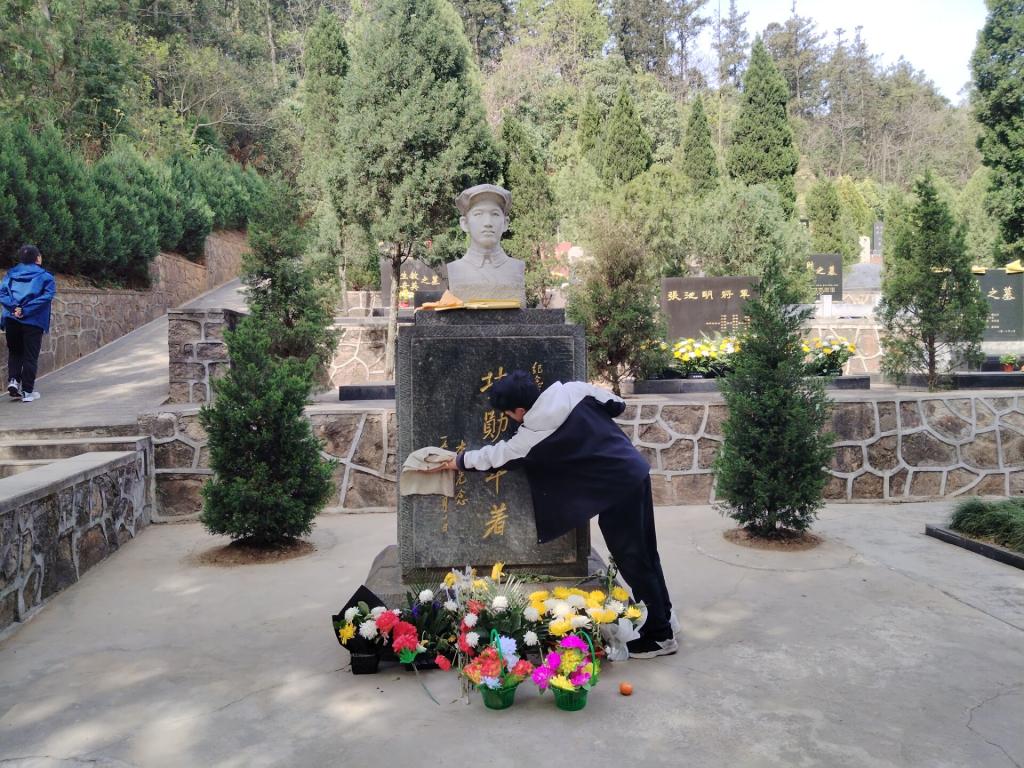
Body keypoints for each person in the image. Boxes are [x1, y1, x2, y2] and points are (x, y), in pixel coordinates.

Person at [437, 370, 679, 658]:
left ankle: (659, 637)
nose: (510, 420)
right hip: (634, 471)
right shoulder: (573, 390)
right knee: (646, 552)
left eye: (508, 415)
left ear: (520, 411)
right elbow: (616, 404)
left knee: (634, 559)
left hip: (615, 490)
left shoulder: (531, 435)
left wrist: (458, 461)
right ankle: (665, 617)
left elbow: (497, 456)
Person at [446, 184, 527, 306]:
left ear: (505, 223)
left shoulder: (516, 269)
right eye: (478, 214)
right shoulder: (456, 270)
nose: (488, 223)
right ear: (464, 223)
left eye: (495, 214)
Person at [1, 244, 56, 403]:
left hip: (12, 319)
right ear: (38, 258)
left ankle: (13, 380)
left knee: (15, 352)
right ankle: (27, 392)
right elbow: (47, 297)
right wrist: (25, 310)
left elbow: (2, 293)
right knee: (30, 356)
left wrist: (14, 308)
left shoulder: (10, 274)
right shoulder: (46, 277)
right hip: (33, 320)